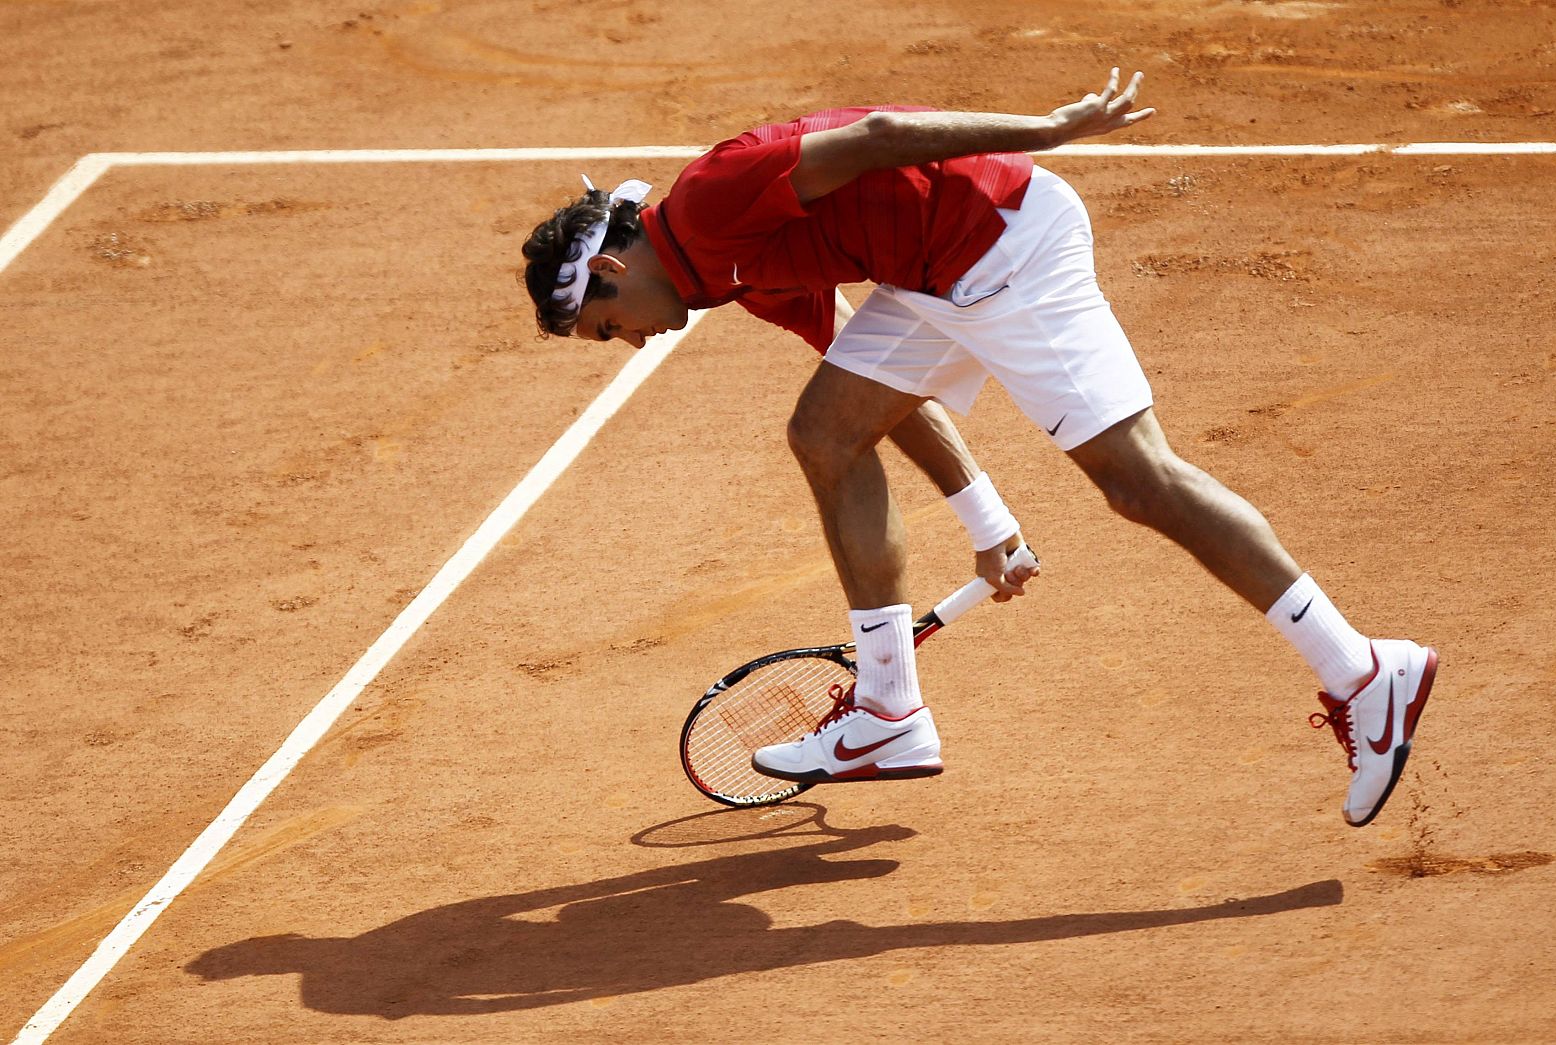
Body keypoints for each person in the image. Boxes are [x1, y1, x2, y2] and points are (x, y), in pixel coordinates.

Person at [519, 70, 1437, 827]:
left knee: (1138, 480)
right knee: (826, 435)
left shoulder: (713, 207)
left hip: (1005, 247)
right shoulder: (723, 271)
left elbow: (878, 133)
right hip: (931, 273)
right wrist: (986, 518)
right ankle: (888, 712)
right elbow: (881, 399)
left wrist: (1046, 126)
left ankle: (1362, 671)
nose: (630, 343)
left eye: (607, 329)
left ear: (609, 269)